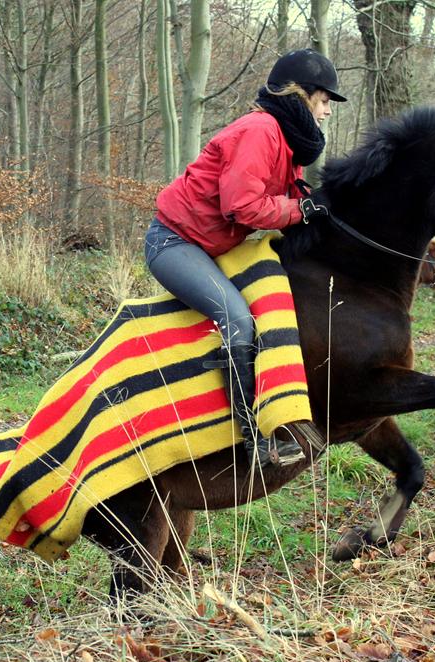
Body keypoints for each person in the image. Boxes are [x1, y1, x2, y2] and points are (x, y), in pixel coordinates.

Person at [143, 49, 345, 468]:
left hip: (213, 245)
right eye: (325, 100)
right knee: (237, 318)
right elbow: (243, 207)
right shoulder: (260, 131)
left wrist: (320, 207)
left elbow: (291, 199)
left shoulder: (285, 139)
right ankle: (252, 439)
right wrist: (300, 210)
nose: (327, 111)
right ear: (301, 94)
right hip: (174, 243)